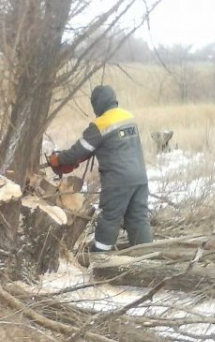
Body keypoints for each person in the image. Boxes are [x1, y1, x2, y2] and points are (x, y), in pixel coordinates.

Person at [48, 85, 153, 252]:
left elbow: (78, 151)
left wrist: (58, 159)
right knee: (138, 218)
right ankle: (147, 259)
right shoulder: (128, 117)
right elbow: (114, 144)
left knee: (110, 218)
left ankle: (100, 257)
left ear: (97, 104)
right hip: (139, 177)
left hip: (117, 180)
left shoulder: (101, 124)